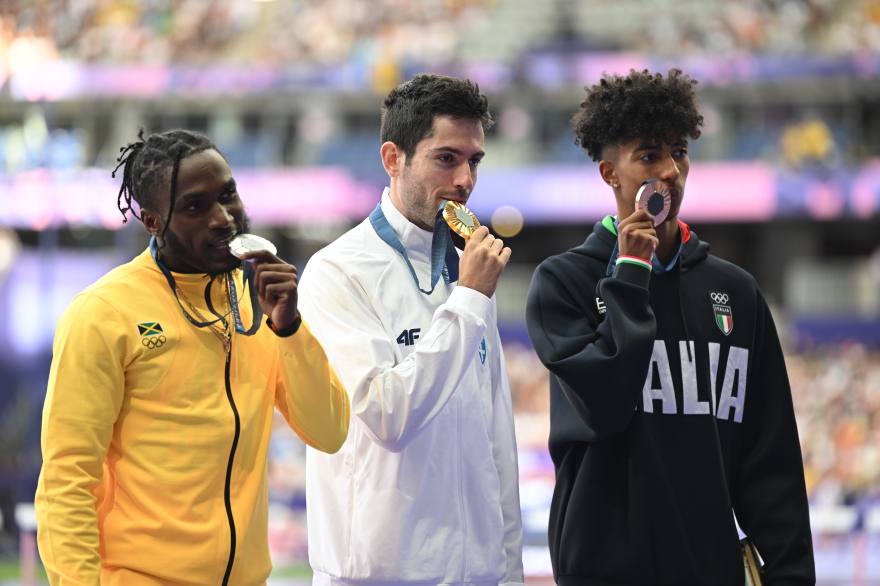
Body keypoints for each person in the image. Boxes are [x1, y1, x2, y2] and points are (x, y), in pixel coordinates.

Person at [525, 69, 815, 585]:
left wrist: (789, 574)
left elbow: (769, 459)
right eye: (649, 156)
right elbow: (606, 404)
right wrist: (631, 273)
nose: (671, 171)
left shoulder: (738, 292)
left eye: (679, 152)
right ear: (610, 173)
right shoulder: (563, 282)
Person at [35, 128, 350, 586]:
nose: (222, 218)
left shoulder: (256, 301)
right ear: (152, 221)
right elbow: (66, 481)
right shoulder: (104, 313)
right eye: (194, 207)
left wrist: (289, 329)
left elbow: (330, 432)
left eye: (228, 195)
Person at [298, 74, 524, 586]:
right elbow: (387, 418)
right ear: (393, 158)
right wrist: (468, 302)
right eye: (446, 158)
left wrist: (508, 572)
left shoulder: (468, 271)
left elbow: (497, 443)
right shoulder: (337, 272)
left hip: (477, 576)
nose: (465, 179)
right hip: (376, 577)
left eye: (474, 161)